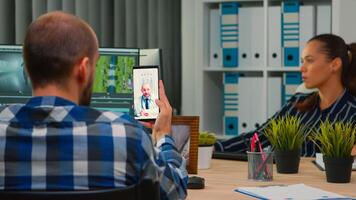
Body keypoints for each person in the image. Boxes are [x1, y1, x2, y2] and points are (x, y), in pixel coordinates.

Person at [0, 11, 188, 200]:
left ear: (27, 69)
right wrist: (164, 137)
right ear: (83, 69)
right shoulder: (128, 137)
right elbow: (174, 191)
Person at [215, 34, 356, 157]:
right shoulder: (298, 103)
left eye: (310, 60)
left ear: (335, 64)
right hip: (280, 182)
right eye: (302, 61)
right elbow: (260, 136)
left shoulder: (352, 112)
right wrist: (214, 148)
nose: (302, 68)